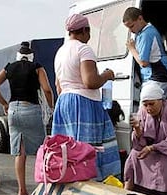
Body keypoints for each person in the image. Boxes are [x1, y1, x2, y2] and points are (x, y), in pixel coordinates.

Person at [51, 13, 121, 181]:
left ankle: (70, 178)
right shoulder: (84, 49)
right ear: (84, 31)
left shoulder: (60, 52)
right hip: (83, 103)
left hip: (64, 101)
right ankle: (90, 181)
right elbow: (90, 81)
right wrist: (107, 75)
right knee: (87, 147)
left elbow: (58, 85)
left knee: (68, 147)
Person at [0, 41, 54, 195]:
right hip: (31, 109)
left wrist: (4, 103)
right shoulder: (37, 67)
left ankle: (22, 190)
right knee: (42, 151)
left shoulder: (9, 67)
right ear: (31, 56)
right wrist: (52, 105)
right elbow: (46, 89)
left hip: (13, 111)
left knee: (20, 152)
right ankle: (43, 188)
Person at [122, 7, 167, 95]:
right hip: (154, 77)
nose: (130, 30)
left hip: (158, 77)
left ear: (140, 19)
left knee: (147, 105)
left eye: (132, 26)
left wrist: (132, 49)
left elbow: (143, 63)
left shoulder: (147, 34)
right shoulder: (141, 33)